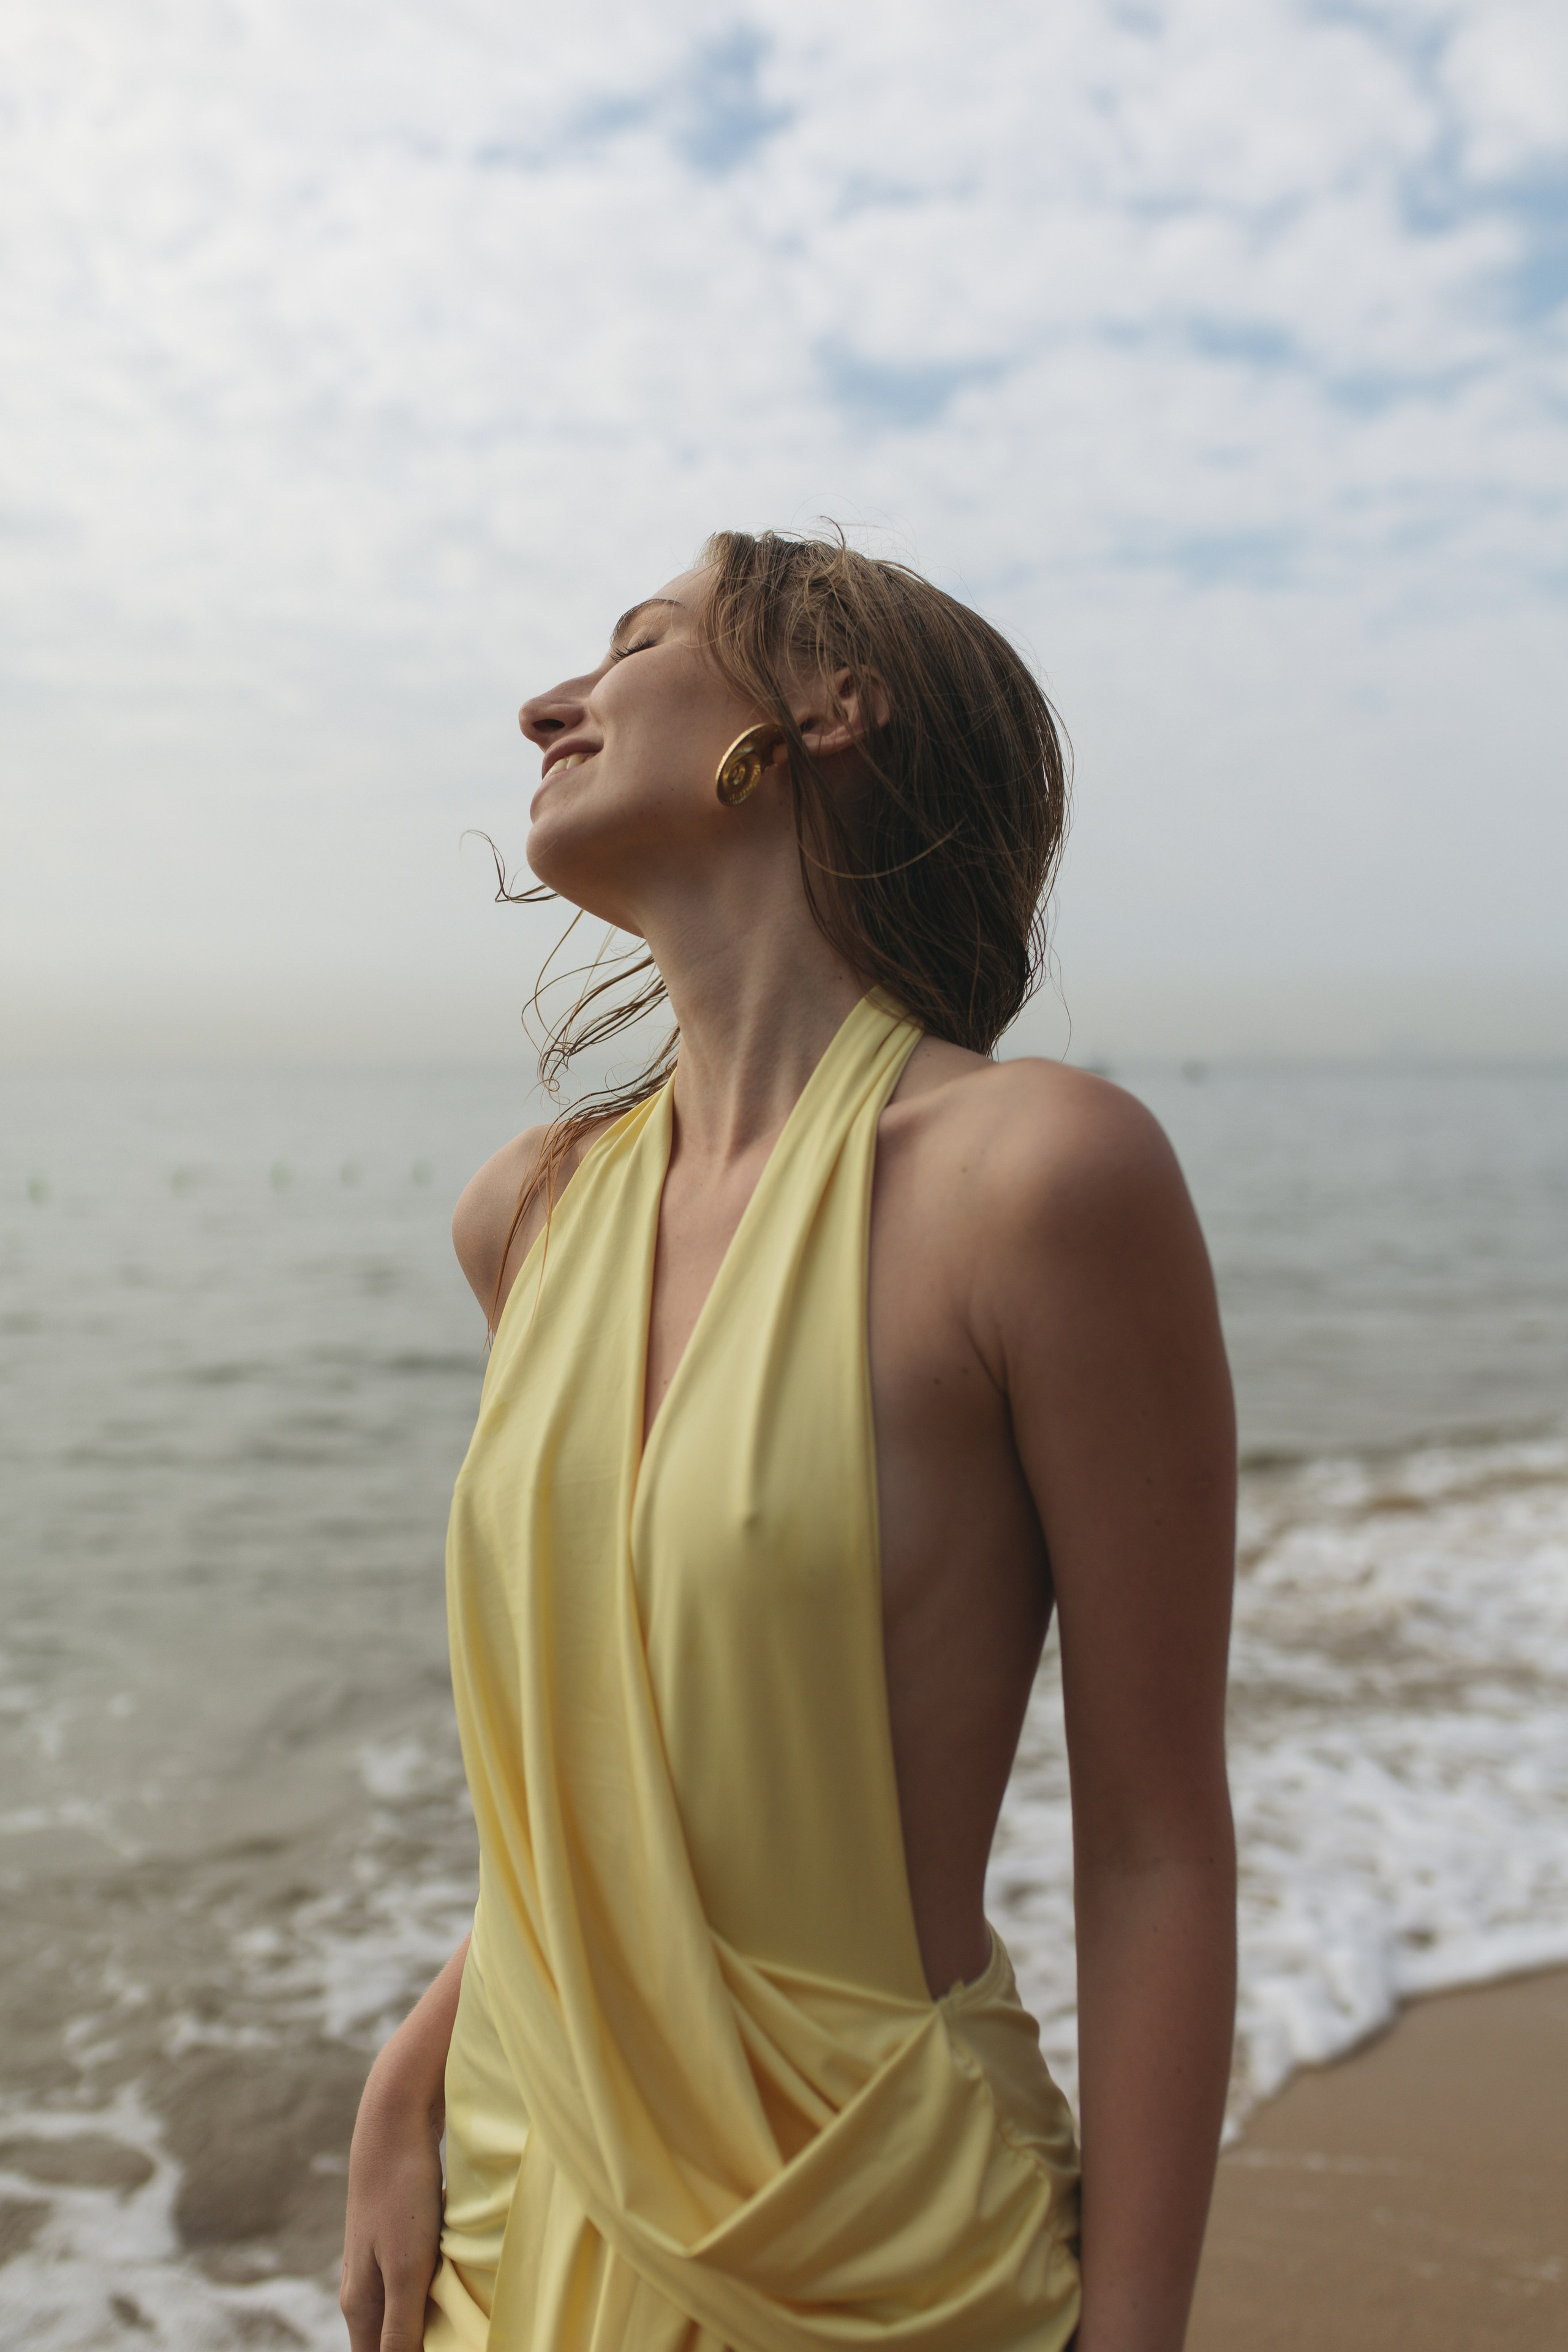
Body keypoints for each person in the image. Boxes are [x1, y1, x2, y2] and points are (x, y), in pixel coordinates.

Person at [339, 530, 1237, 2352]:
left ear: (831, 709)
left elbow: (1154, 1842)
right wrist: (410, 2070)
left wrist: (1138, 2333)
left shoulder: (1042, 1183)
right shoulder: (531, 1212)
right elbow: (608, 1781)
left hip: (874, 2231)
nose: (549, 702)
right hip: (515, 2195)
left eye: (637, 643)